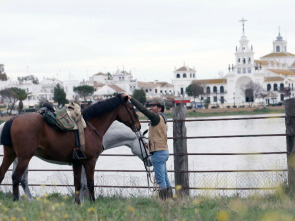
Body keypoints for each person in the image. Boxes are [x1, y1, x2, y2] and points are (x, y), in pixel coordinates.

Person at [124, 94, 172, 200]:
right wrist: (149, 145)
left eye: (154, 106)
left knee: (160, 180)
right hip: (163, 151)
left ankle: (164, 203)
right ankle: (170, 200)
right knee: (165, 178)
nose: (151, 107)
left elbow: (143, 110)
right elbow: (158, 136)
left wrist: (131, 99)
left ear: (160, 108)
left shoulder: (156, 118)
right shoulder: (163, 119)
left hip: (158, 153)